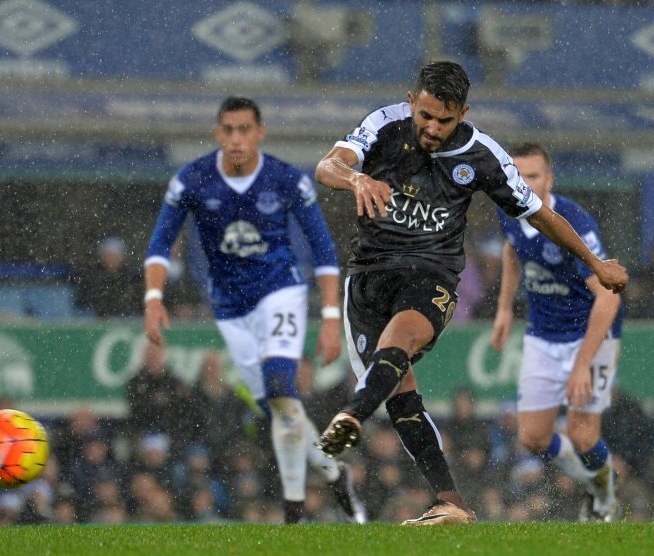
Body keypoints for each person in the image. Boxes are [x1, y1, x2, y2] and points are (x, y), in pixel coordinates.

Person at [313, 61, 628, 525]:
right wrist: (357, 178)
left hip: (431, 276)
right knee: (401, 397)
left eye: (445, 119)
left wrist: (596, 264)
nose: (433, 128)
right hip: (368, 278)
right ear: (411, 101)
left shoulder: (483, 156)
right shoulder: (382, 124)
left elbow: (540, 215)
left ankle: (352, 414)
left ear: (463, 111)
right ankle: (452, 503)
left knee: (398, 343)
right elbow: (327, 165)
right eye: (425, 116)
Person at [144, 96, 366, 524]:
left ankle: (294, 510)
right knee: (280, 410)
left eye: (245, 129)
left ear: (260, 133)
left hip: (280, 292)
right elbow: (159, 244)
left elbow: (323, 249)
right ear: (217, 133)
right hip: (230, 307)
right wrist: (153, 300)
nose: (236, 138)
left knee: (283, 390)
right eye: (228, 130)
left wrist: (331, 321)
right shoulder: (192, 180)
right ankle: (334, 472)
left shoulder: (286, 180)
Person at [490, 142, 625, 522]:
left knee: (583, 436)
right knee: (532, 437)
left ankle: (603, 497)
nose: (525, 185)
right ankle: (600, 476)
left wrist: (583, 365)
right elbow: (512, 251)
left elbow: (609, 299)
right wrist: (503, 309)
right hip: (543, 331)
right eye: (518, 177)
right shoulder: (509, 210)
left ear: (549, 179)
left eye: (533, 177)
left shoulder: (574, 223)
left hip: (592, 333)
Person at [71, 236, 142, 318]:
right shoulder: (92, 277)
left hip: (126, 319)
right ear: (102, 257)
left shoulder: (132, 277)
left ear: (123, 257)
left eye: (115, 255)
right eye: (108, 255)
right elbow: (82, 302)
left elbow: (137, 303)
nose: (112, 259)